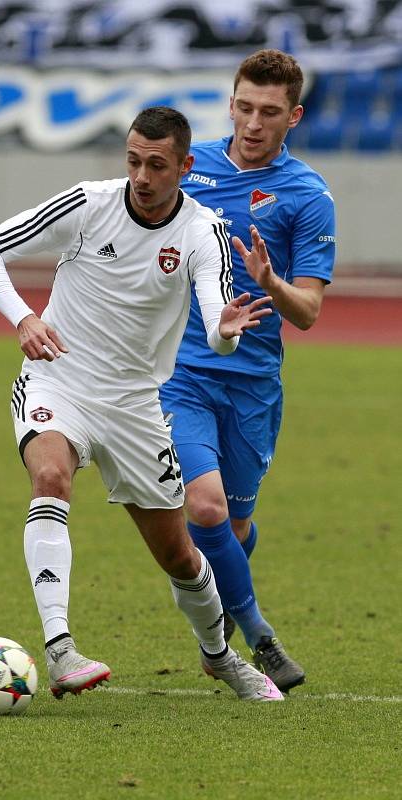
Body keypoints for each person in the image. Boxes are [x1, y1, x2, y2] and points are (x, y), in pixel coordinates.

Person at [0, 106, 284, 702]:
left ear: (184, 166)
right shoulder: (89, 202)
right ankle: (60, 650)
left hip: (136, 405)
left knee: (181, 557)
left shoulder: (200, 231)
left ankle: (220, 657)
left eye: (156, 164)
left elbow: (215, 326)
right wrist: (25, 318)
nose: (141, 174)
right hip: (58, 381)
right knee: (52, 477)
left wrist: (228, 330)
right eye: (133, 159)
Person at [160, 50, 336, 692]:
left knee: (231, 527)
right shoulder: (187, 166)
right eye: (243, 107)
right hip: (180, 372)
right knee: (203, 509)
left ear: (294, 116)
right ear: (230, 103)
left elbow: (310, 311)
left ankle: (214, 640)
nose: (253, 123)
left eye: (269, 112)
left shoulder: (308, 195)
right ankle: (260, 638)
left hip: (255, 385)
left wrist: (271, 282)